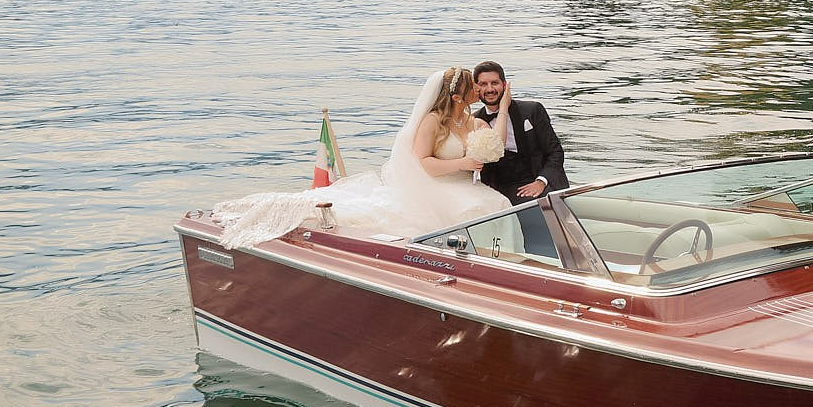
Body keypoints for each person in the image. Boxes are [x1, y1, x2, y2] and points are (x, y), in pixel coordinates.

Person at [214, 67, 507, 249]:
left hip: (464, 184)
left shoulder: (472, 121)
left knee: (497, 204)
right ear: (457, 96)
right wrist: (462, 164)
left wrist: (503, 108)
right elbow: (424, 164)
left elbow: (495, 143)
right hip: (437, 183)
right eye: (474, 87)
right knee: (472, 208)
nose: (480, 91)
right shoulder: (431, 122)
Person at [471, 60, 568, 256]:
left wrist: (540, 182)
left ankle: (550, 258)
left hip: (535, 178)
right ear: (476, 89)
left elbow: (555, 152)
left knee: (539, 202)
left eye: (494, 83)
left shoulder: (532, 110)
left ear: (505, 85)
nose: (489, 89)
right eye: (483, 84)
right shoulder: (474, 120)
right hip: (501, 184)